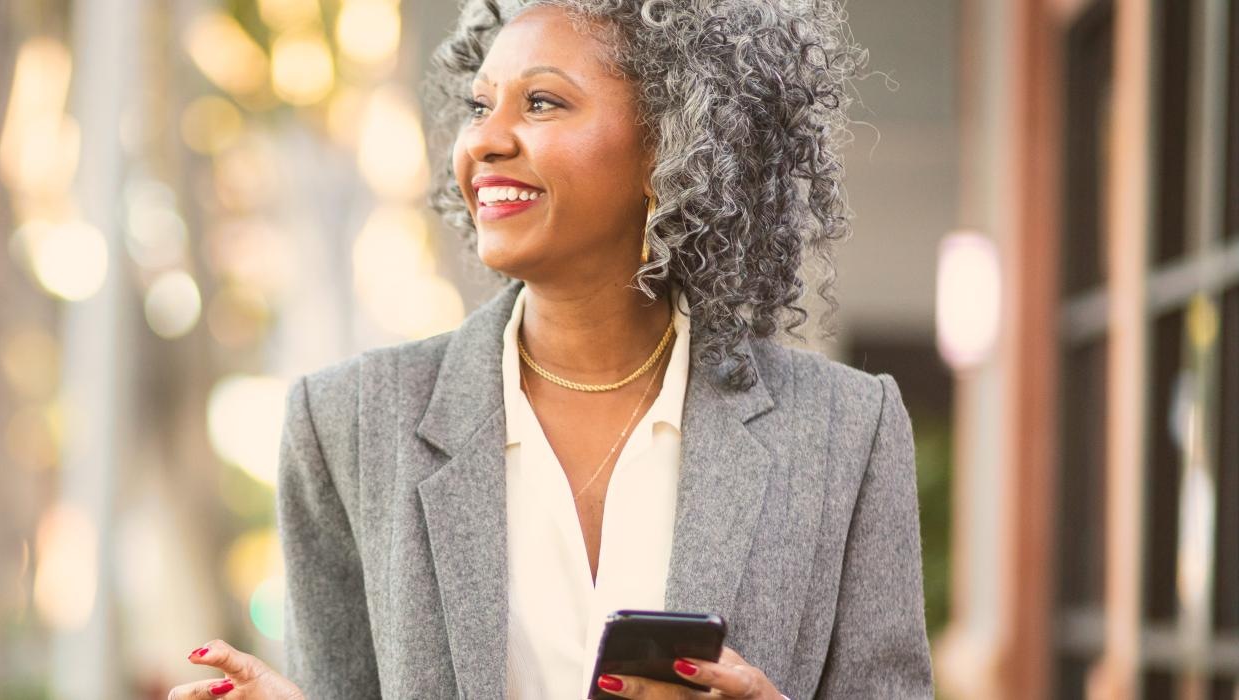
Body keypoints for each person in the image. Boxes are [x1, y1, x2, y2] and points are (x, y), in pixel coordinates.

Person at [168, 0, 932, 697]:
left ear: (674, 142)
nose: (485, 140)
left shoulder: (845, 432)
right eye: (479, 106)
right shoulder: (347, 422)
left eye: (541, 102)